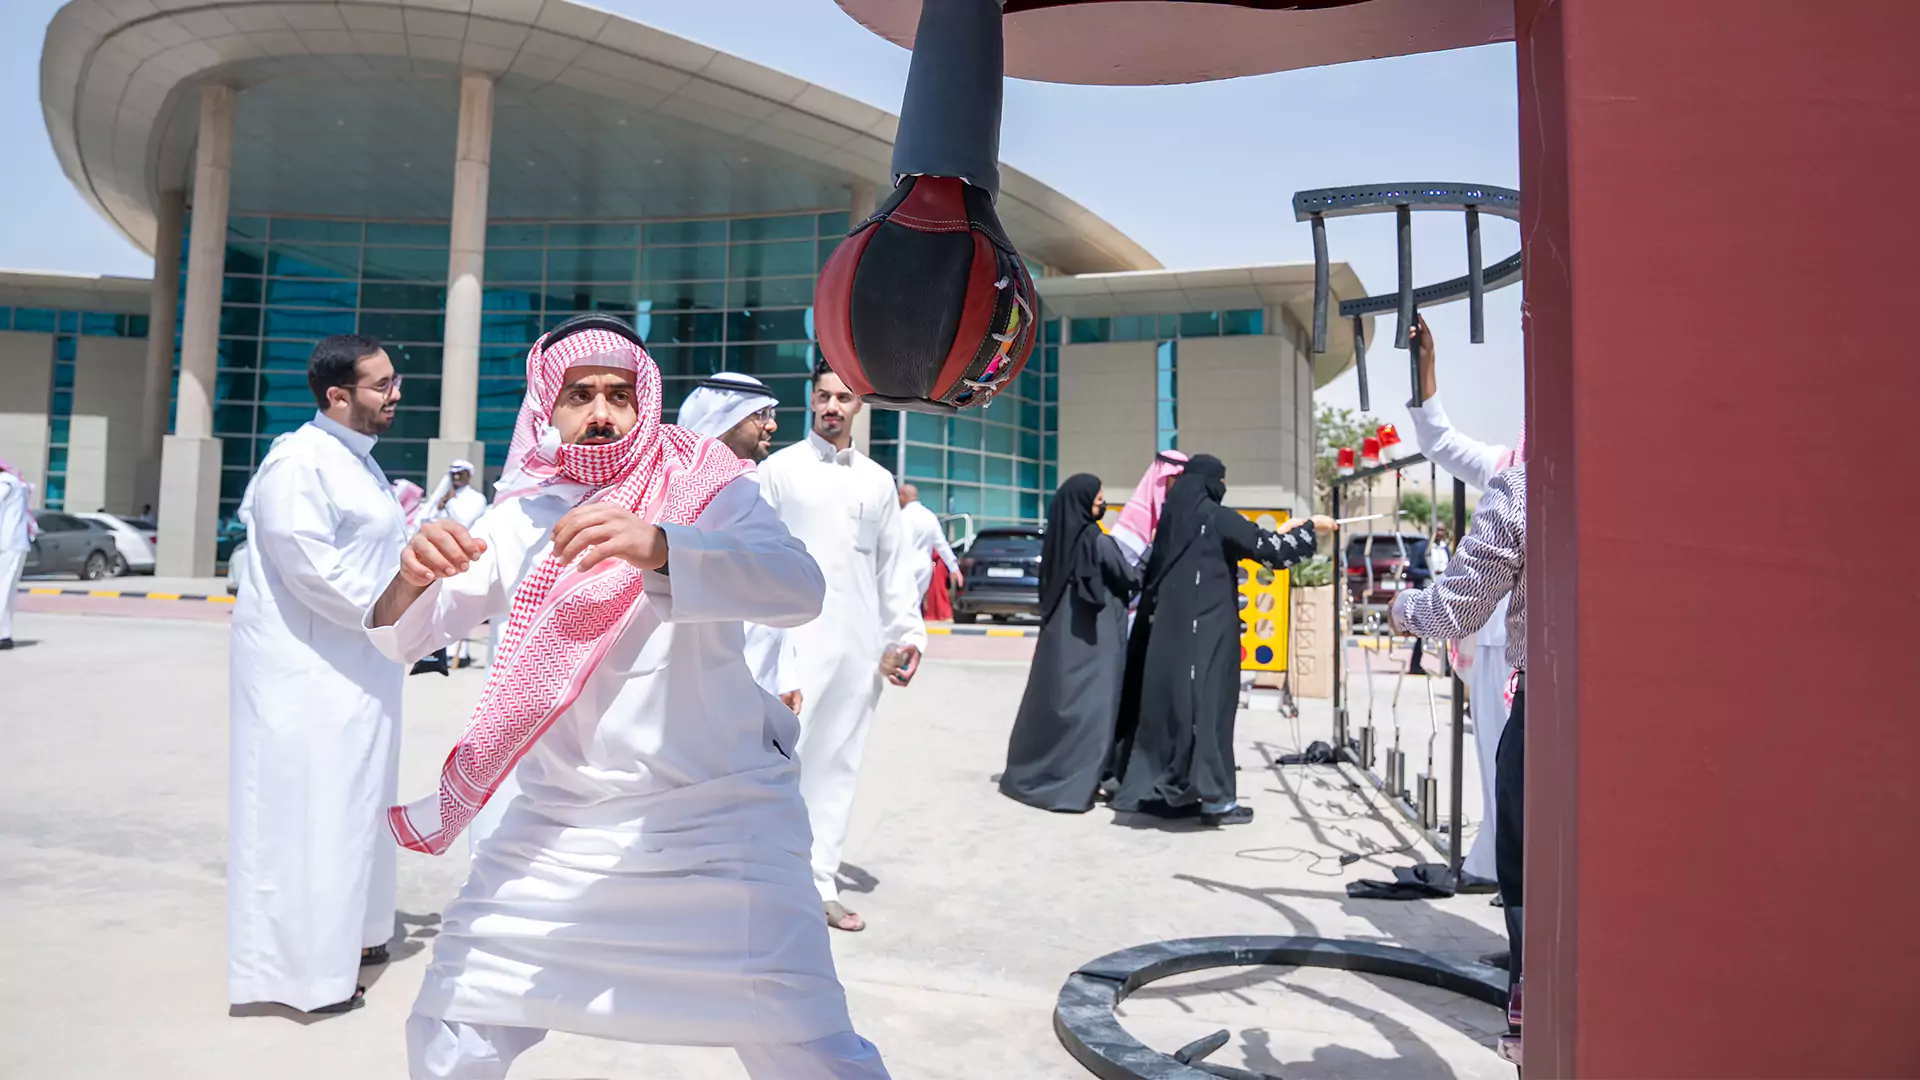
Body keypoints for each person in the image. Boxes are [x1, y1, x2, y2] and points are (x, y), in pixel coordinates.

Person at [364, 316, 887, 1079]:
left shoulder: (706, 489)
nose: (602, 413)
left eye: (619, 394)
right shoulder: (517, 517)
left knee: (808, 1050)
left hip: (722, 821)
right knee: (452, 1031)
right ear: (550, 408)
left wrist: (662, 546)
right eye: (581, 395)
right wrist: (411, 577)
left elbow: (798, 588)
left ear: (646, 402)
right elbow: (395, 638)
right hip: (560, 828)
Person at [227, 333, 408, 1015]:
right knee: (312, 814)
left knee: (361, 803)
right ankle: (302, 976)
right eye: (381, 385)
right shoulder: (299, 462)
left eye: (395, 381)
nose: (396, 395)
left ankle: (357, 936)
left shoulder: (359, 464)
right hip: (306, 674)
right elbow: (312, 569)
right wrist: (397, 610)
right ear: (337, 396)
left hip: (361, 667)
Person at [758, 362, 926, 933]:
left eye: (843, 398)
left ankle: (820, 881)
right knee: (775, 764)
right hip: (791, 644)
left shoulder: (878, 481)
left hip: (857, 647)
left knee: (838, 768)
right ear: (810, 401)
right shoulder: (777, 472)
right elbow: (754, 562)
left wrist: (903, 637)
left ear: (859, 407)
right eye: (824, 396)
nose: (832, 406)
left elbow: (894, 571)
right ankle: (764, 880)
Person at [1108, 455, 1329, 826]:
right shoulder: (1215, 517)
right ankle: (1216, 800)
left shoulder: (1172, 521)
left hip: (1168, 640)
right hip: (1206, 635)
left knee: (1174, 715)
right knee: (1208, 713)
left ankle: (1168, 789)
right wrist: (1311, 529)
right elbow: (1272, 551)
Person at [1390, 461, 1527, 1023]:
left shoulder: (1527, 484)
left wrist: (1404, 609)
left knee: (1533, 877)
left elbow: (1456, 606)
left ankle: (1535, 1015)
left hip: (1552, 710)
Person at [1405, 313, 1522, 889]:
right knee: (1504, 766)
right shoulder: (1510, 470)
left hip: (1552, 653)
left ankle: (1520, 883)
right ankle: (1511, 882)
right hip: (1500, 643)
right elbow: (1438, 441)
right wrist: (1426, 365)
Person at [999, 475, 1138, 812]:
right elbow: (1129, 577)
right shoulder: (1097, 542)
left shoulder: (1058, 545)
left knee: (1058, 708)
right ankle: (1078, 782)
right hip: (1096, 643)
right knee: (1094, 713)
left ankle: (1040, 772)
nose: (1102, 504)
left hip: (1060, 643)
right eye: (1098, 498)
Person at [675, 371, 803, 714]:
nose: (772, 426)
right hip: (694, 699)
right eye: (760, 415)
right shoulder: (677, 495)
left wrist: (784, 675)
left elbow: (779, 590)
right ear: (723, 419)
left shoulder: (750, 489)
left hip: (755, 690)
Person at [895, 482, 961, 621]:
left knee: (903, 606)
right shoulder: (929, 516)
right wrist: (954, 568)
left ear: (904, 496)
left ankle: (907, 637)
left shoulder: (904, 516)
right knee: (914, 604)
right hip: (925, 566)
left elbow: (902, 543)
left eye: (899, 496)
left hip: (907, 565)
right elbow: (941, 544)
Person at [0, 457, 36, 651]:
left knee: (4, 589)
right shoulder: (15, 482)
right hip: (13, 543)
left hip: (9, 544)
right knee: (6, 590)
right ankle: (4, 635)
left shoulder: (6, 482)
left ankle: (3, 635)